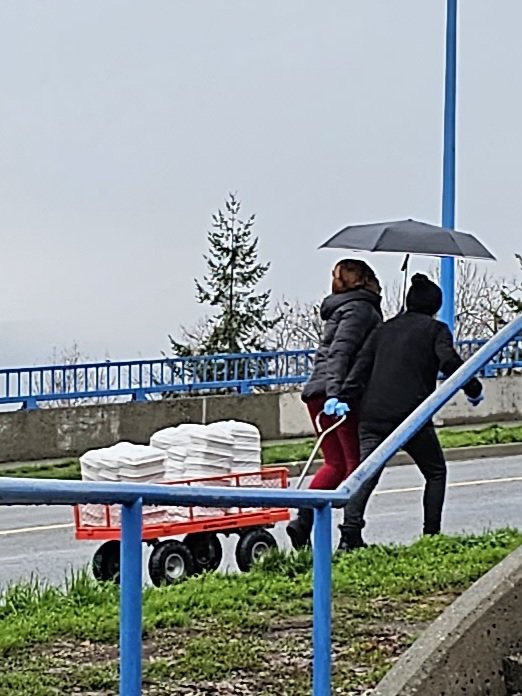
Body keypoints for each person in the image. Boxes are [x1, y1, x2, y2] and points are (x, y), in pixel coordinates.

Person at [335, 273, 484, 551]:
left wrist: (344, 397)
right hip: (411, 417)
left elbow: (361, 367)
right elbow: (450, 362)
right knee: (436, 472)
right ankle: (431, 537)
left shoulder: (383, 329)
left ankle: (349, 536)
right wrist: (473, 388)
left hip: (373, 415)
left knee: (365, 473)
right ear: (434, 307)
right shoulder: (436, 330)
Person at [286, 258, 383, 549]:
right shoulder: (359, 310)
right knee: (355, 465)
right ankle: (349, 535)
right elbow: (341, 353)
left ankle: (303, 522)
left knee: (335, 464)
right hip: (336, 394)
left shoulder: (342, 308)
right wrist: (336, 395)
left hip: (319, 392)